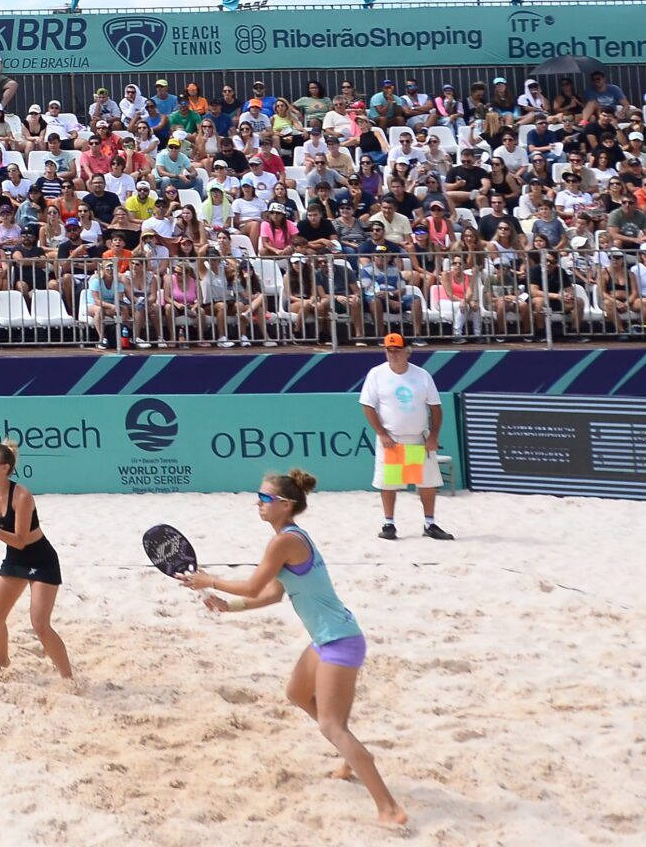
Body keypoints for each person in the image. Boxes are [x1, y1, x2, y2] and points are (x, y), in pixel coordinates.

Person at [180, 469, 407, 830]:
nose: (258, 503)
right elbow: (272, 593)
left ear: (286, 506)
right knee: (298, 693)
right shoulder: (289, 538)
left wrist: (209, 580)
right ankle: (351, 759)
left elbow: (254, 586)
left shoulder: (284, 541)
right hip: (327, 636)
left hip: (340, 641)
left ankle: (389, 807)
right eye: (259, 496)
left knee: (332, 725)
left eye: (265, 498)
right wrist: (226, 606)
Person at [0, 438, 70, 677]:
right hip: (15, 559)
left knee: (40, 625)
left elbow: (20, 539)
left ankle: (68, 677)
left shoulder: (22, 495)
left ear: (5, 467)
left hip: (41, 559)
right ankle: (4, 665)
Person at [358, 334, 451, 541]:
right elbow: (367, 405)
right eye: (389, 350)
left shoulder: (422, 375)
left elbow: (436, 408)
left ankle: (429, 523)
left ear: (407, 351)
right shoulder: (377, 374)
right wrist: (381, 433)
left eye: (397, 350)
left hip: (418, 436)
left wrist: (434, 436)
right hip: (392, 438)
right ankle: (389, 523)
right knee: (389, 483)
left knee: (427, 483)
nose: (393, 355)